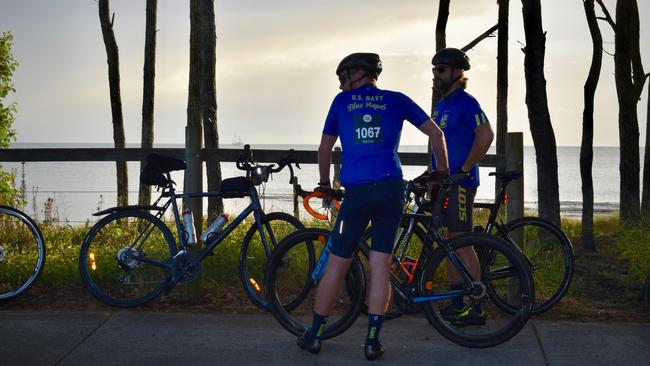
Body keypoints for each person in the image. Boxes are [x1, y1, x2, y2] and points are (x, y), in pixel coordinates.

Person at [297, 52, 449, 361]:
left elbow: (325, 147)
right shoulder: (397, 99)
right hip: (391, 189)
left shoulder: (341, 104)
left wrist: (325, 183)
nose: (340, 84)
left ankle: (314, 335)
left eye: (343, 77)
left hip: (358, 194)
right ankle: (371, 342)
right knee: (380, 266)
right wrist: (441, 174)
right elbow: (437, 133)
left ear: (358, 74)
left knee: (337, 264)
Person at [430, 48, 494, 326]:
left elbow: (486, 135)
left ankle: (476, 307)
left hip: (460, 184)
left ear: (458, 72)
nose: (435, 75)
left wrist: (465, 169)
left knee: (461, 243)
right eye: (433, 70)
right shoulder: (441, 105)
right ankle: (457, 303)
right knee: (448, 243)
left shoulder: (468, 103)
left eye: (440, 70)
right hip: (442, 184)